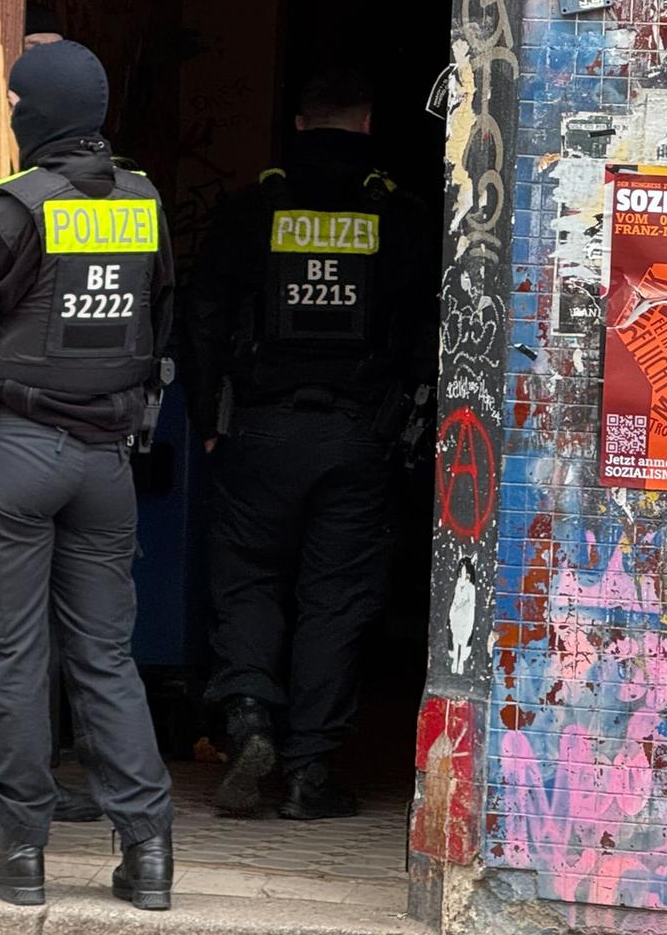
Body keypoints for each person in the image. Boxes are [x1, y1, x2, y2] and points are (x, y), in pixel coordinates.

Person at [0, 39, 177, 910]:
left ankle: (20, 852)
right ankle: (147, 856)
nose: (13, 117)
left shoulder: (13, 210)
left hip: (19, 454)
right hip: (107, 463)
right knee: (105, 655)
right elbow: (159, 323)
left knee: (10, 654)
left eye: (18, 105)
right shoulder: (144, 203)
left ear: (40, 115)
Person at [186, 67, 437, 820]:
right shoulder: (404, 218)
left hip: (257, 433)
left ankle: (249, 720)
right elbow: (435, 330)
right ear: (366, 125)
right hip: (359, 437)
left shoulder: (249, 211)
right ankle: (309, 771)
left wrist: (207, 421)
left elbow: (201, 320)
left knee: (249, 581)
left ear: (296, 125)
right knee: (336, 602)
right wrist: (414, 428)